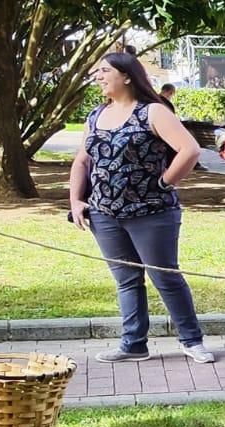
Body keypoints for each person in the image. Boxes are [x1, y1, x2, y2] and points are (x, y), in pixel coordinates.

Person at [68, 51, 216, 364]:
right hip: (104, 214)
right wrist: (76, 200)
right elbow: (82, 160)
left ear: (126, 76)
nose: (99, 76)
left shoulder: (152, 112)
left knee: (166, 277)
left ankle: (192, 340)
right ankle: (133, 344)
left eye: (105, 70)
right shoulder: (96, 116)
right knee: (126, 279)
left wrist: (164, 182)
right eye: (99, 71)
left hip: (152, 212)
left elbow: (189, 150)